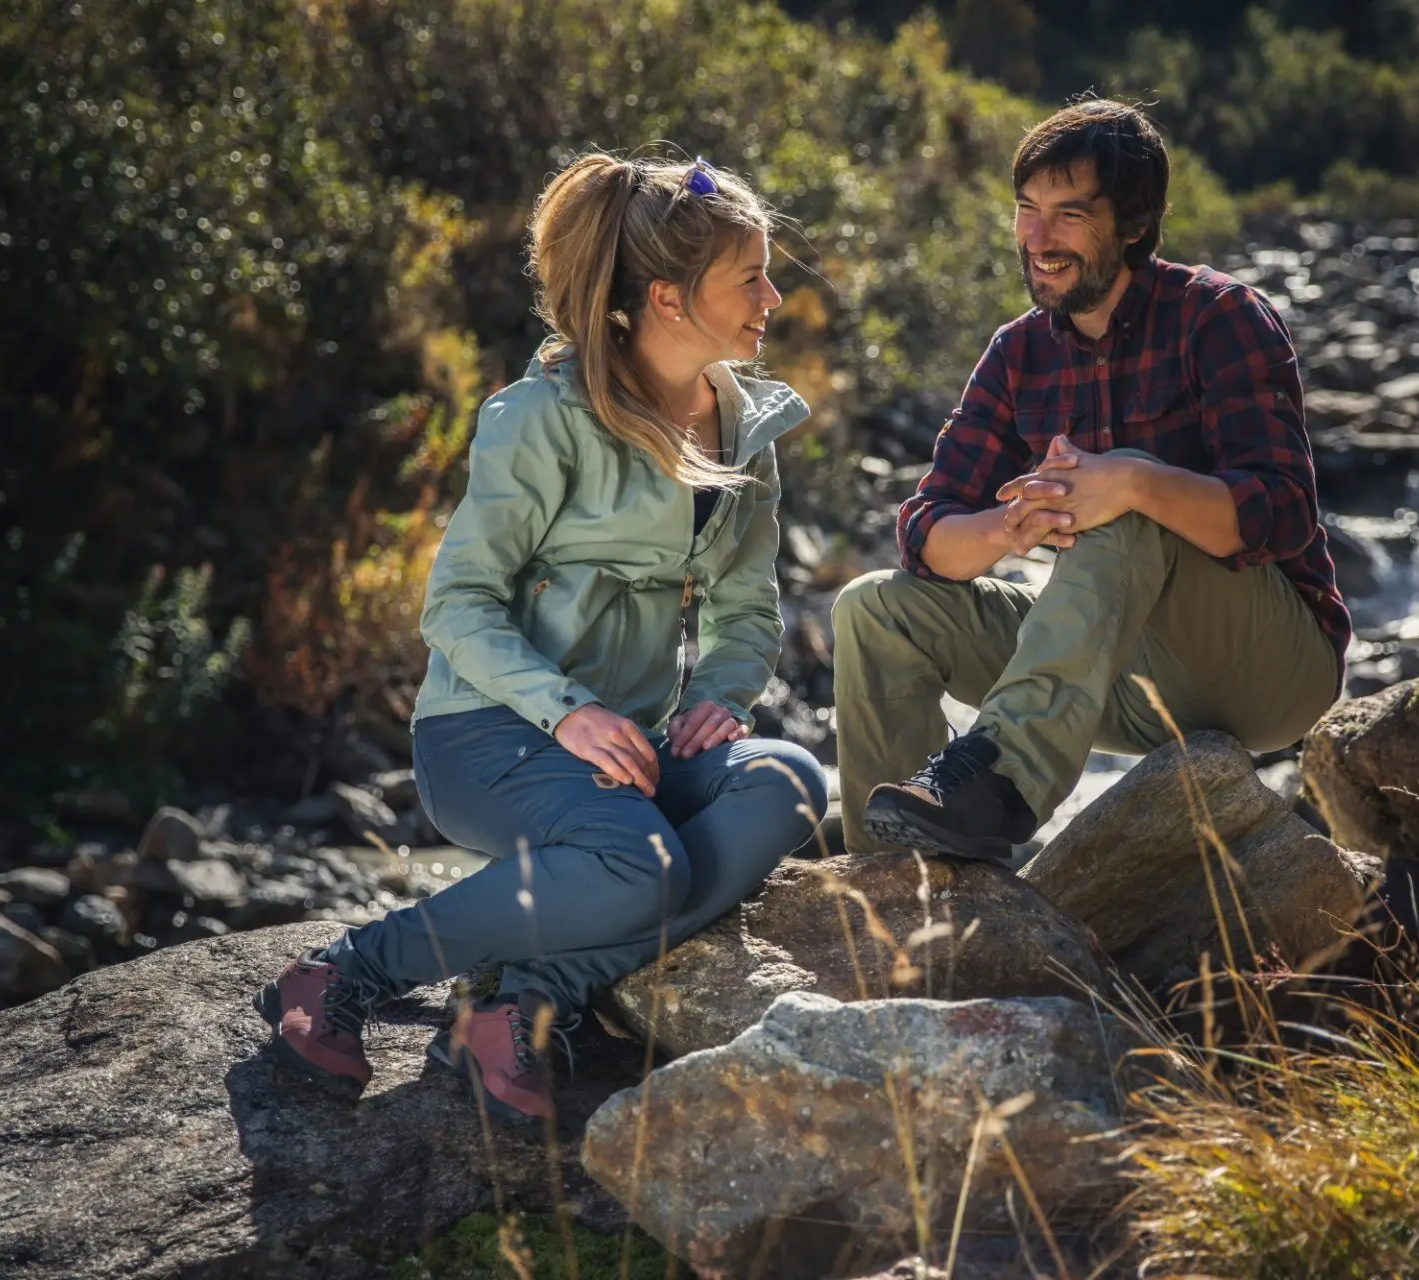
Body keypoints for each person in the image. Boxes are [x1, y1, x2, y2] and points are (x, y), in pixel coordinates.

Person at [256, 153, 827, 1121]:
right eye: (751, 276)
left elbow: (745, 604)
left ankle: (520, 1000)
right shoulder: (539, 420)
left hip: (630, 748)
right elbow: (457, 605)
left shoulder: (745, 427)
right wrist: (568, 712)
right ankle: (341, 973)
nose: (774, 296)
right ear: (668, 297)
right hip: (489, 734)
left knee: (790, 784)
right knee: (638, 864)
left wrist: (720, 697)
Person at [834, 99, 1352, 863]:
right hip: (1114, 669)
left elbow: (1282, 516)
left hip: (1268, 668)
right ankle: (893, 881)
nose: (1038, 240)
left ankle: (997, 783)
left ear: (1135, 225)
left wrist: (1135, 486)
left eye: (1069, 215)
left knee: (1128, 491)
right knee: (873, 609)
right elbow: (925, 533)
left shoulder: (1220, 316)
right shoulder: (1017, 354)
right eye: (1026, 211)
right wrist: (1006, 531)